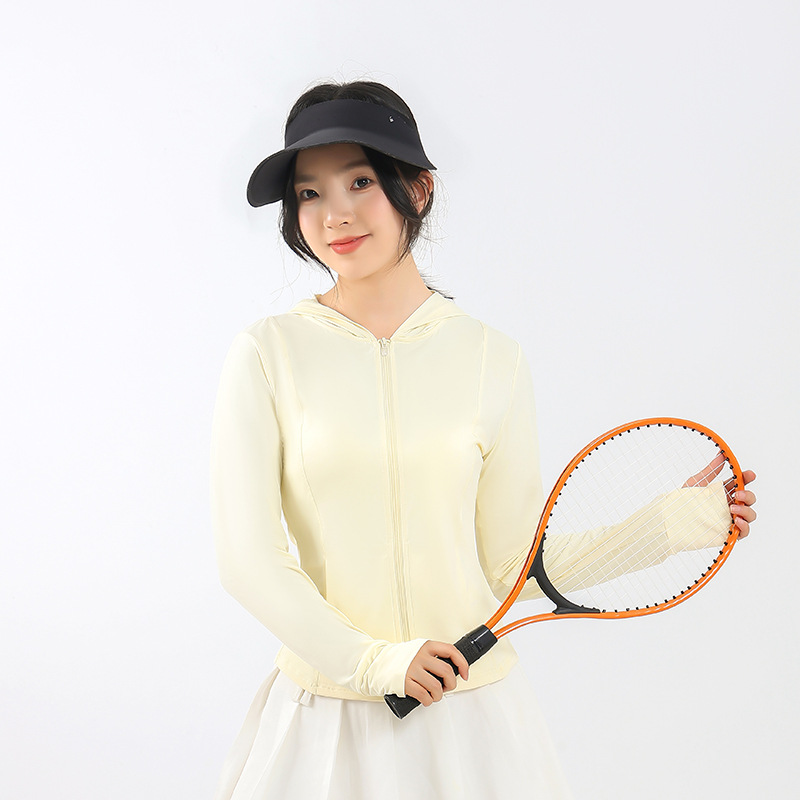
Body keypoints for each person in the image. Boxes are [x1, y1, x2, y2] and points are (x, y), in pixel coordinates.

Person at [209, 80, 757, 800]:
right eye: (309, 193)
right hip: (325, 723)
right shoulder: (266, 353)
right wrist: (374, 663)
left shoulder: (492, 358)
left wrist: (671, 525)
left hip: (471, 721)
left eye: (361, 181)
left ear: (418, 189)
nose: (334, 213)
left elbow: (513, 568)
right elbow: (247, 559)